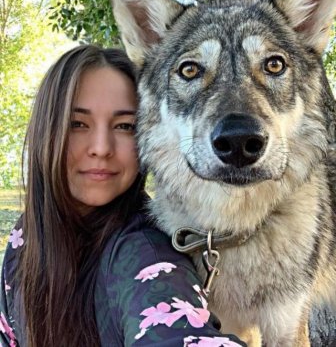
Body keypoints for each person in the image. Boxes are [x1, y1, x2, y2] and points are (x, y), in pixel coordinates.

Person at [0, 45, 245, 347]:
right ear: (46, 130)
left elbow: (173, 328)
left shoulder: (146, 253)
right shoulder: (23, 239)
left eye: (125, 126)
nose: (101, 147)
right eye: (78, 124)